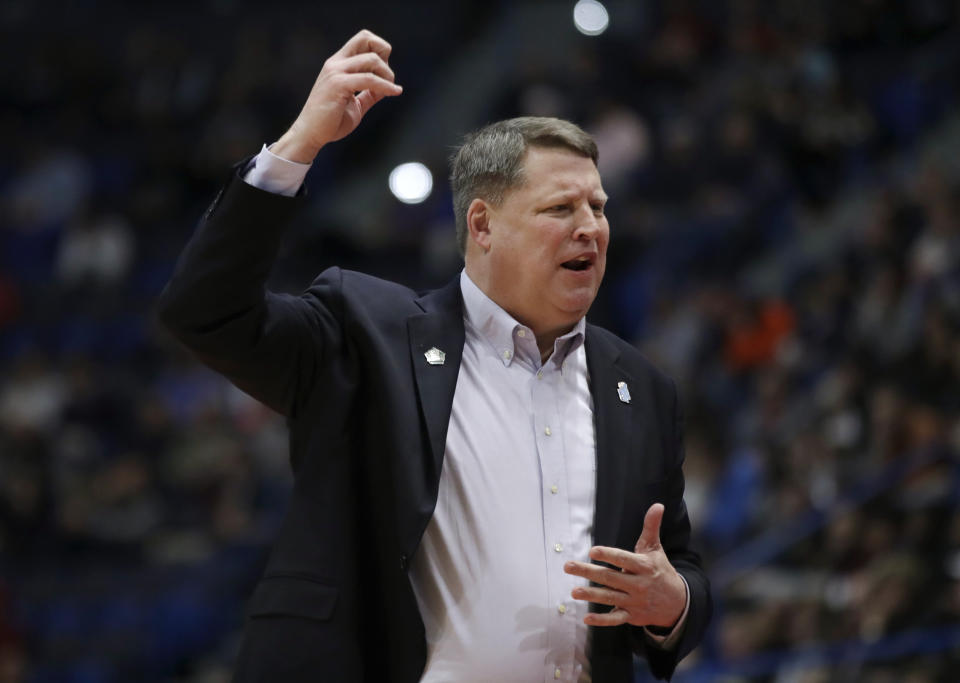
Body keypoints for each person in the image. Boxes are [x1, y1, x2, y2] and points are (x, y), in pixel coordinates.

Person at [159, 29, 711, 683]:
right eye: (561, 207)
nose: (590, 225)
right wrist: (296, 146)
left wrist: (672, 603)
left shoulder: (642, 388)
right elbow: (205, 312)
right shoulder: (367, 333)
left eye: (598, 205)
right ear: (483, 225)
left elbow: (680, 574)